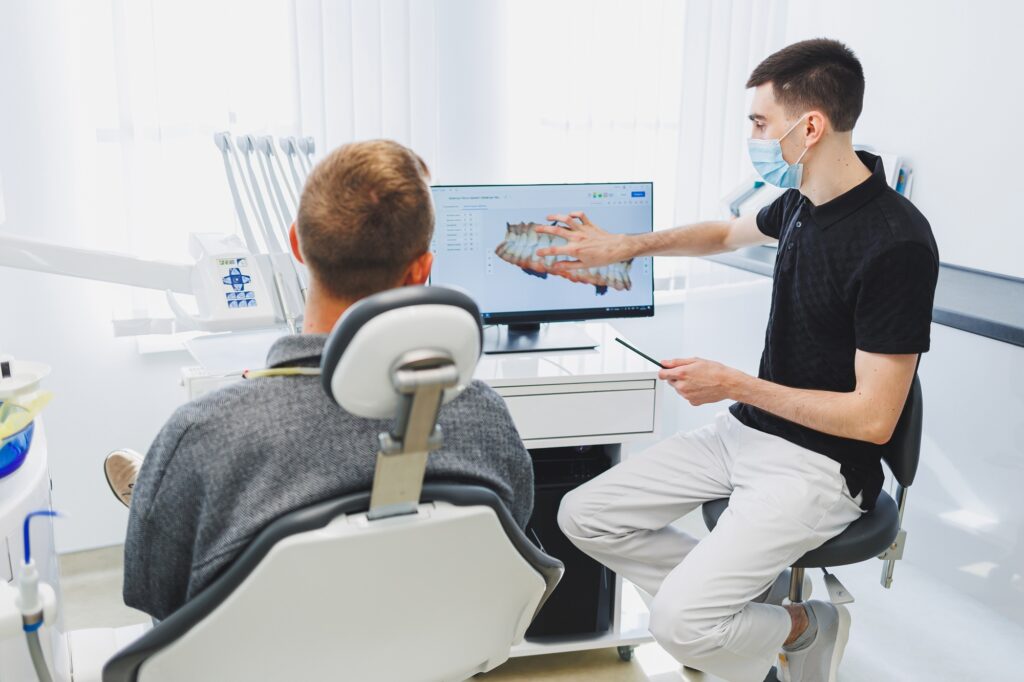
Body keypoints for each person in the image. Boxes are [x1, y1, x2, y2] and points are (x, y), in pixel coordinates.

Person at [548, 39, 938, 682]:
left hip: (821, 466)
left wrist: (734, 383)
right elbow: (725, 232)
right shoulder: (802, 203)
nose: (753, 138)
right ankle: (730, 615)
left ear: (808, 127)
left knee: (678, 625)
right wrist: (625, 245)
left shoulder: (895, 244)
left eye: (760, 123)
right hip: (748, 434)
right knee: (583, 515)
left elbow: (873, 420)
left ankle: (806, 626)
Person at [105, 140, 534, 621]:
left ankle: (150, 488)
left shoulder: (207, 432)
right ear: (422, 270)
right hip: (428, 653)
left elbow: (156, 596)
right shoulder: (484, 415)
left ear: (295, 244)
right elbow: (509, 545)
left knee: (178, 504)